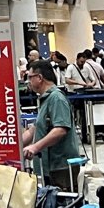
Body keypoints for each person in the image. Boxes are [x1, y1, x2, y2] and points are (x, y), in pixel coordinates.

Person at [22, 62, 80, 190]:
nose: (28, 82)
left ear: (40, 78)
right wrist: (16, 146)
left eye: (30, 77)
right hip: (49, 166)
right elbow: (36, 128)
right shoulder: (46, 99)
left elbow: (60, 130)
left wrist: (36, 147)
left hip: (61, 166)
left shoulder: (56, 98)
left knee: (63, 205)